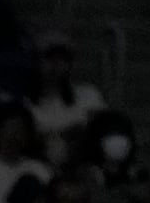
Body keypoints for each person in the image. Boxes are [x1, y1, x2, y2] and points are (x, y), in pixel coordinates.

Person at [28, 33, 106, 168]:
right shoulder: (25, 102)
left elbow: (99, 130)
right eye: (49, 58)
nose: (55, 65)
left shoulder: (88, 95)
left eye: (62, 59)